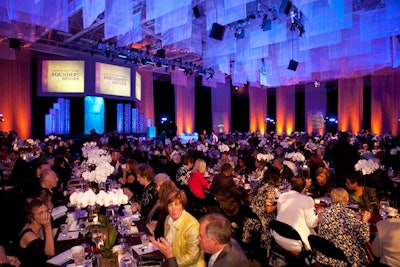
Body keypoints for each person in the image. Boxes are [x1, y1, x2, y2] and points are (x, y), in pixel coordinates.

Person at [151, 212, 249, 267]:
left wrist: (170, 256)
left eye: (201, 236)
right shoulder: (228, 241)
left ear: (214, 241)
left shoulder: (225, 264)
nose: (197, 238)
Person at [317, 188, 371, 267]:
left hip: (324, 257)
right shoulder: (350, 214)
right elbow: (364, 238)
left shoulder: (323, 213)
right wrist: (365, 221)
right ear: (347, 199)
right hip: (345, 260)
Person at [274, 176, 319, 252]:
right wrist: (319, 214)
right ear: (304, 187)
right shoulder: (307, 200)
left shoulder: (282, 196)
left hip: (278, 236)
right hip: (296, 242)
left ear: (291, 185)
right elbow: (312, 224)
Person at [163, 190, 206, 267]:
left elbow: (192, 257)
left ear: (182, 206)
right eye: (170, 205)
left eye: (177, 204)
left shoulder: (192, 225)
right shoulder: (168, 219)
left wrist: (171, 263)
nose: (174, 209)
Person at [242, 168, 279, 253]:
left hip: (251, 214)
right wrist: (279, 205)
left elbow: (249, 199)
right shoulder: (270, 189)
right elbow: (269, 210)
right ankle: (268, 247)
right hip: (261, 218)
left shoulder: (259, 184)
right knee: (277, 218)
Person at [19, 199, 55, 267]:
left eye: (46, 211)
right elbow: (50, 253)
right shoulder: (28, 235)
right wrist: (48, 227)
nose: (45, 214)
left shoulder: (41, 226)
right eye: (41, 212)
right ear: (31, 217)